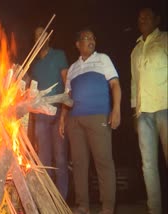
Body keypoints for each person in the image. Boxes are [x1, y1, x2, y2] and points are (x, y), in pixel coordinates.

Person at [59, 28, 121, 214]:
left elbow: (115, 84)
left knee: (103, 161)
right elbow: (67, 95)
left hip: (98, 117)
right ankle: (83, 206)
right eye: (86, 38)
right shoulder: (72, 68)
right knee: (78, 164)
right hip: (75, 121)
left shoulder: (103, 59)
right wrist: (63, 118)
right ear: (78, 44)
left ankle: (107, 207)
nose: (91, 40)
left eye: (93, 37)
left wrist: (116, 109)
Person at [130, 6, 167, 214]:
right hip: (143, 114)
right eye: (140, 16)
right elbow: (134, 84)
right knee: (148, 165)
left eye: (147, 16)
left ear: (157, 19)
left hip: (165, 108)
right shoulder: (135, 50)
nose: (142, 19)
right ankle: (155, 210)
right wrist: (134, 112)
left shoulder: (165, 40)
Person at [28, 26, 69, 199]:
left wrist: (65, 114)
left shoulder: (59, 55)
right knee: (43, 159)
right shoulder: (35, 64)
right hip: (41, 115)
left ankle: (61, 200)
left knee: (60, 158)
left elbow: (67, 84)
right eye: (36, 36)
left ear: (48, 38)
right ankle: (48, 200)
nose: (40, 38)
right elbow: (31, 90)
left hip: (58, 111)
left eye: (42, 35)